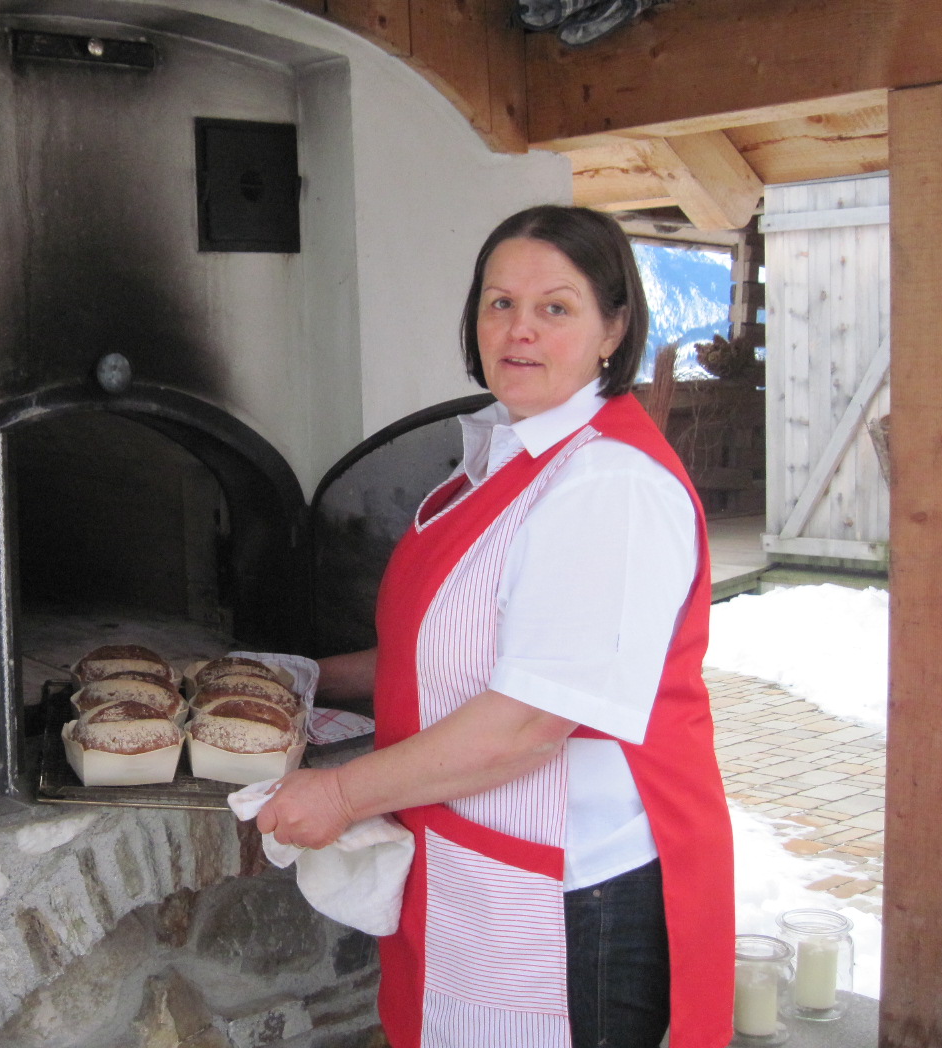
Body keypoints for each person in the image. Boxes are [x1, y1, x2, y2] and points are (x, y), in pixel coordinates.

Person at [256, 205, 734, 1048]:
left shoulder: (607, 485)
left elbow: (529, 723)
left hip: (571, 894)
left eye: (556, 307)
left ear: (613, 329)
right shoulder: (509, 456)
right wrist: (306, 678)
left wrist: (338, 793)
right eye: (499, 302)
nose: (520, 330)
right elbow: (452, 651)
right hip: (478, 857)